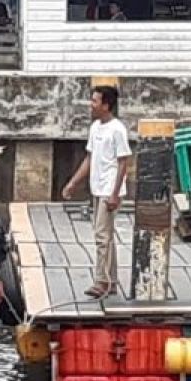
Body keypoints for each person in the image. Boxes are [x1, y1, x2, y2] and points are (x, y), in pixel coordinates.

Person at [61, 85, 131, 299]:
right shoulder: (95, 128)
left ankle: (101, 280)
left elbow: (123, 162)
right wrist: (73, 182)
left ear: (106, 105)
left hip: (110, 188)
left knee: (102, 235)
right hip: (97, 186)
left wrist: (115, 193)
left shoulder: (117, 129)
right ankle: (111, 281)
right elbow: (89, 158)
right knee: (105, 235)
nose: (91, 105)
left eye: (95, 101)